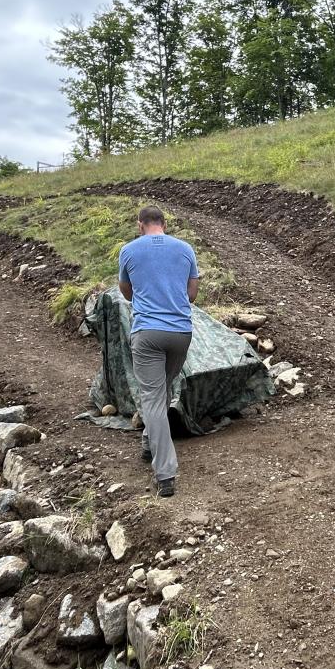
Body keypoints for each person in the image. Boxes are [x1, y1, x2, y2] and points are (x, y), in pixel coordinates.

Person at [118, 205, 199, 499]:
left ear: (140, 225)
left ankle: (165, 474)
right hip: (181, 333)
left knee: (152, 398)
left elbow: (126, 292)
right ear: (164, 223)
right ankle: (149, 441)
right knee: (163, 389)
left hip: (148, 333)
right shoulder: (186, 249)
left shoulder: (128, 251)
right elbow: (191, 294)